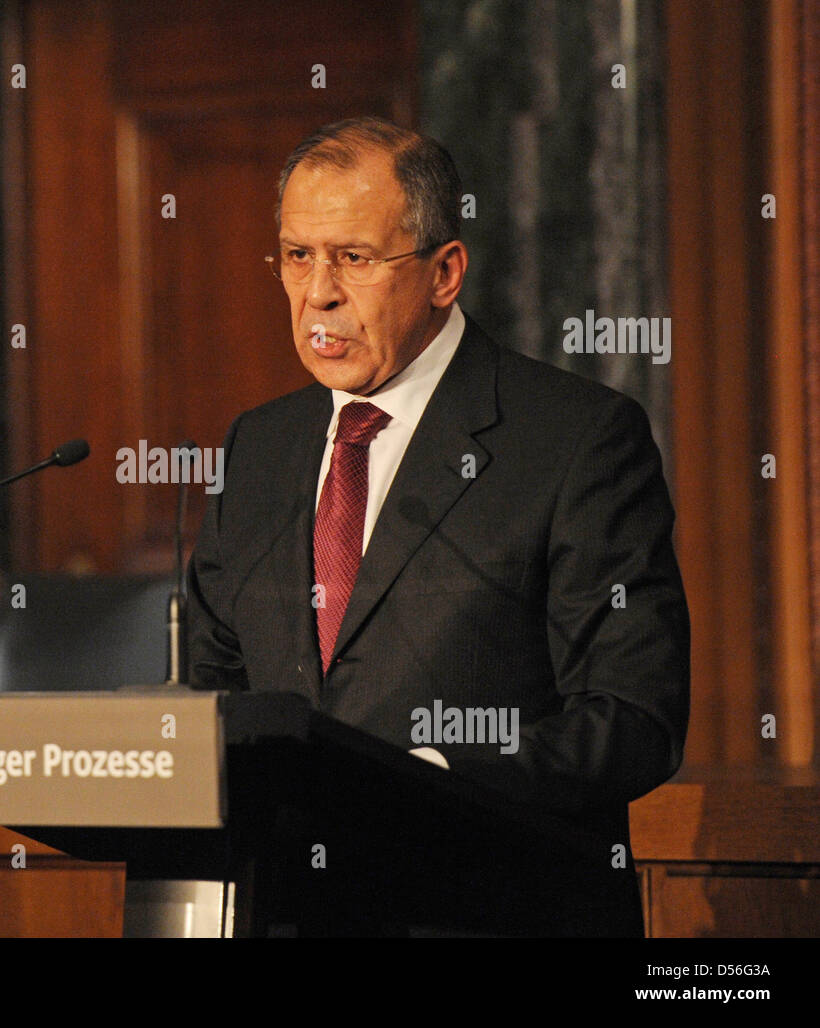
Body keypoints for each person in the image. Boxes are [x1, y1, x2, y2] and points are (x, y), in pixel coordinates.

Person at [186, 116, 690, 934]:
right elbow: (214, 689)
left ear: (446, 271)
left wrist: (432, 780)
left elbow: (634, 719)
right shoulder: (259, 446)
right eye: (296, 256)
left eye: (353, 257)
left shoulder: (575, 440)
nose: (318, 292)